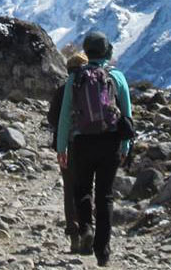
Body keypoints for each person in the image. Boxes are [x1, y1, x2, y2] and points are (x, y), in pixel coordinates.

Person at [56, 31, 132, 267]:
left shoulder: (75, 78)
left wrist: (61, 148)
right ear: (107, 51)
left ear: (87, 52)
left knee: (82, 189)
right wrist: (125, 144)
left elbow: (65, 117)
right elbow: (127, 115)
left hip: (82, 142)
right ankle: (103, 251)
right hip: (109, 142)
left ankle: (86, 227)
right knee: (105, 196)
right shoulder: (116, 77)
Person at [47, 51, 88, 253]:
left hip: (69, 147)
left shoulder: (63, 89)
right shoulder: (96, 89)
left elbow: (52, 118)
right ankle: (89, 229)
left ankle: (74, 234)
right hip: (92, 145)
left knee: (70, 190)